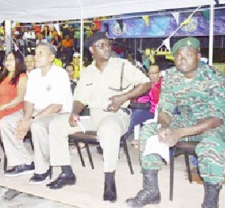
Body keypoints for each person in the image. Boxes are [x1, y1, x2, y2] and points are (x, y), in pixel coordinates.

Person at [126, 37, 225, 208]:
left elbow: (217, 118)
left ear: (198, 56)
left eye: (188, 55)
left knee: (211, 144)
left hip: (214, 124)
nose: (182, 60)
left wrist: (178, 133)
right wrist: (164, 126)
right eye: (178, 56)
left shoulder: (213, 76)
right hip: (187, 120)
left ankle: (210, 202)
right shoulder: (171, 76)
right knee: (149, 131)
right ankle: (151, 190)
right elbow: (165, 108)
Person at [47, 32, 151, 202]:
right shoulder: (87, 72)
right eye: (100, 45)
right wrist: (75, 112)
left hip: (116, 115)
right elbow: (80, 98)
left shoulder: (122, 65)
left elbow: (146, 83)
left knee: (108, 128)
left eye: (107, 44)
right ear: (91, 50)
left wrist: (123, 98)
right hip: (94, 115)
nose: (106, 48)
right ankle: (66, 173)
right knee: (57, 123)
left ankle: (109, 181)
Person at [14, 42, 72, 182]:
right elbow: (28, 100)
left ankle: (43, 168)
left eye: (41, 53)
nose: (36, 56)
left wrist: (31, 120)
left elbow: (57, 106)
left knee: (37, 125)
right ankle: (24, 161)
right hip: (37, 112)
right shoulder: (33, 74)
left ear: (51, 57)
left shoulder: (60, 74)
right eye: (36, 53)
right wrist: (26, 119)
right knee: (7, 123)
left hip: (59, 113)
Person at [126, 63, 162, 145]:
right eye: (150, 73)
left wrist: (152, 87)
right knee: (126, 114)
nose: (151, 75)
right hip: (142, 106)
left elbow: (158, 100)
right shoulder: (146, 82)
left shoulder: (162, 85)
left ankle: (120, 139)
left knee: (134, 117)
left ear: (159, 73)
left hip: (153, 111)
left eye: (154, 73)